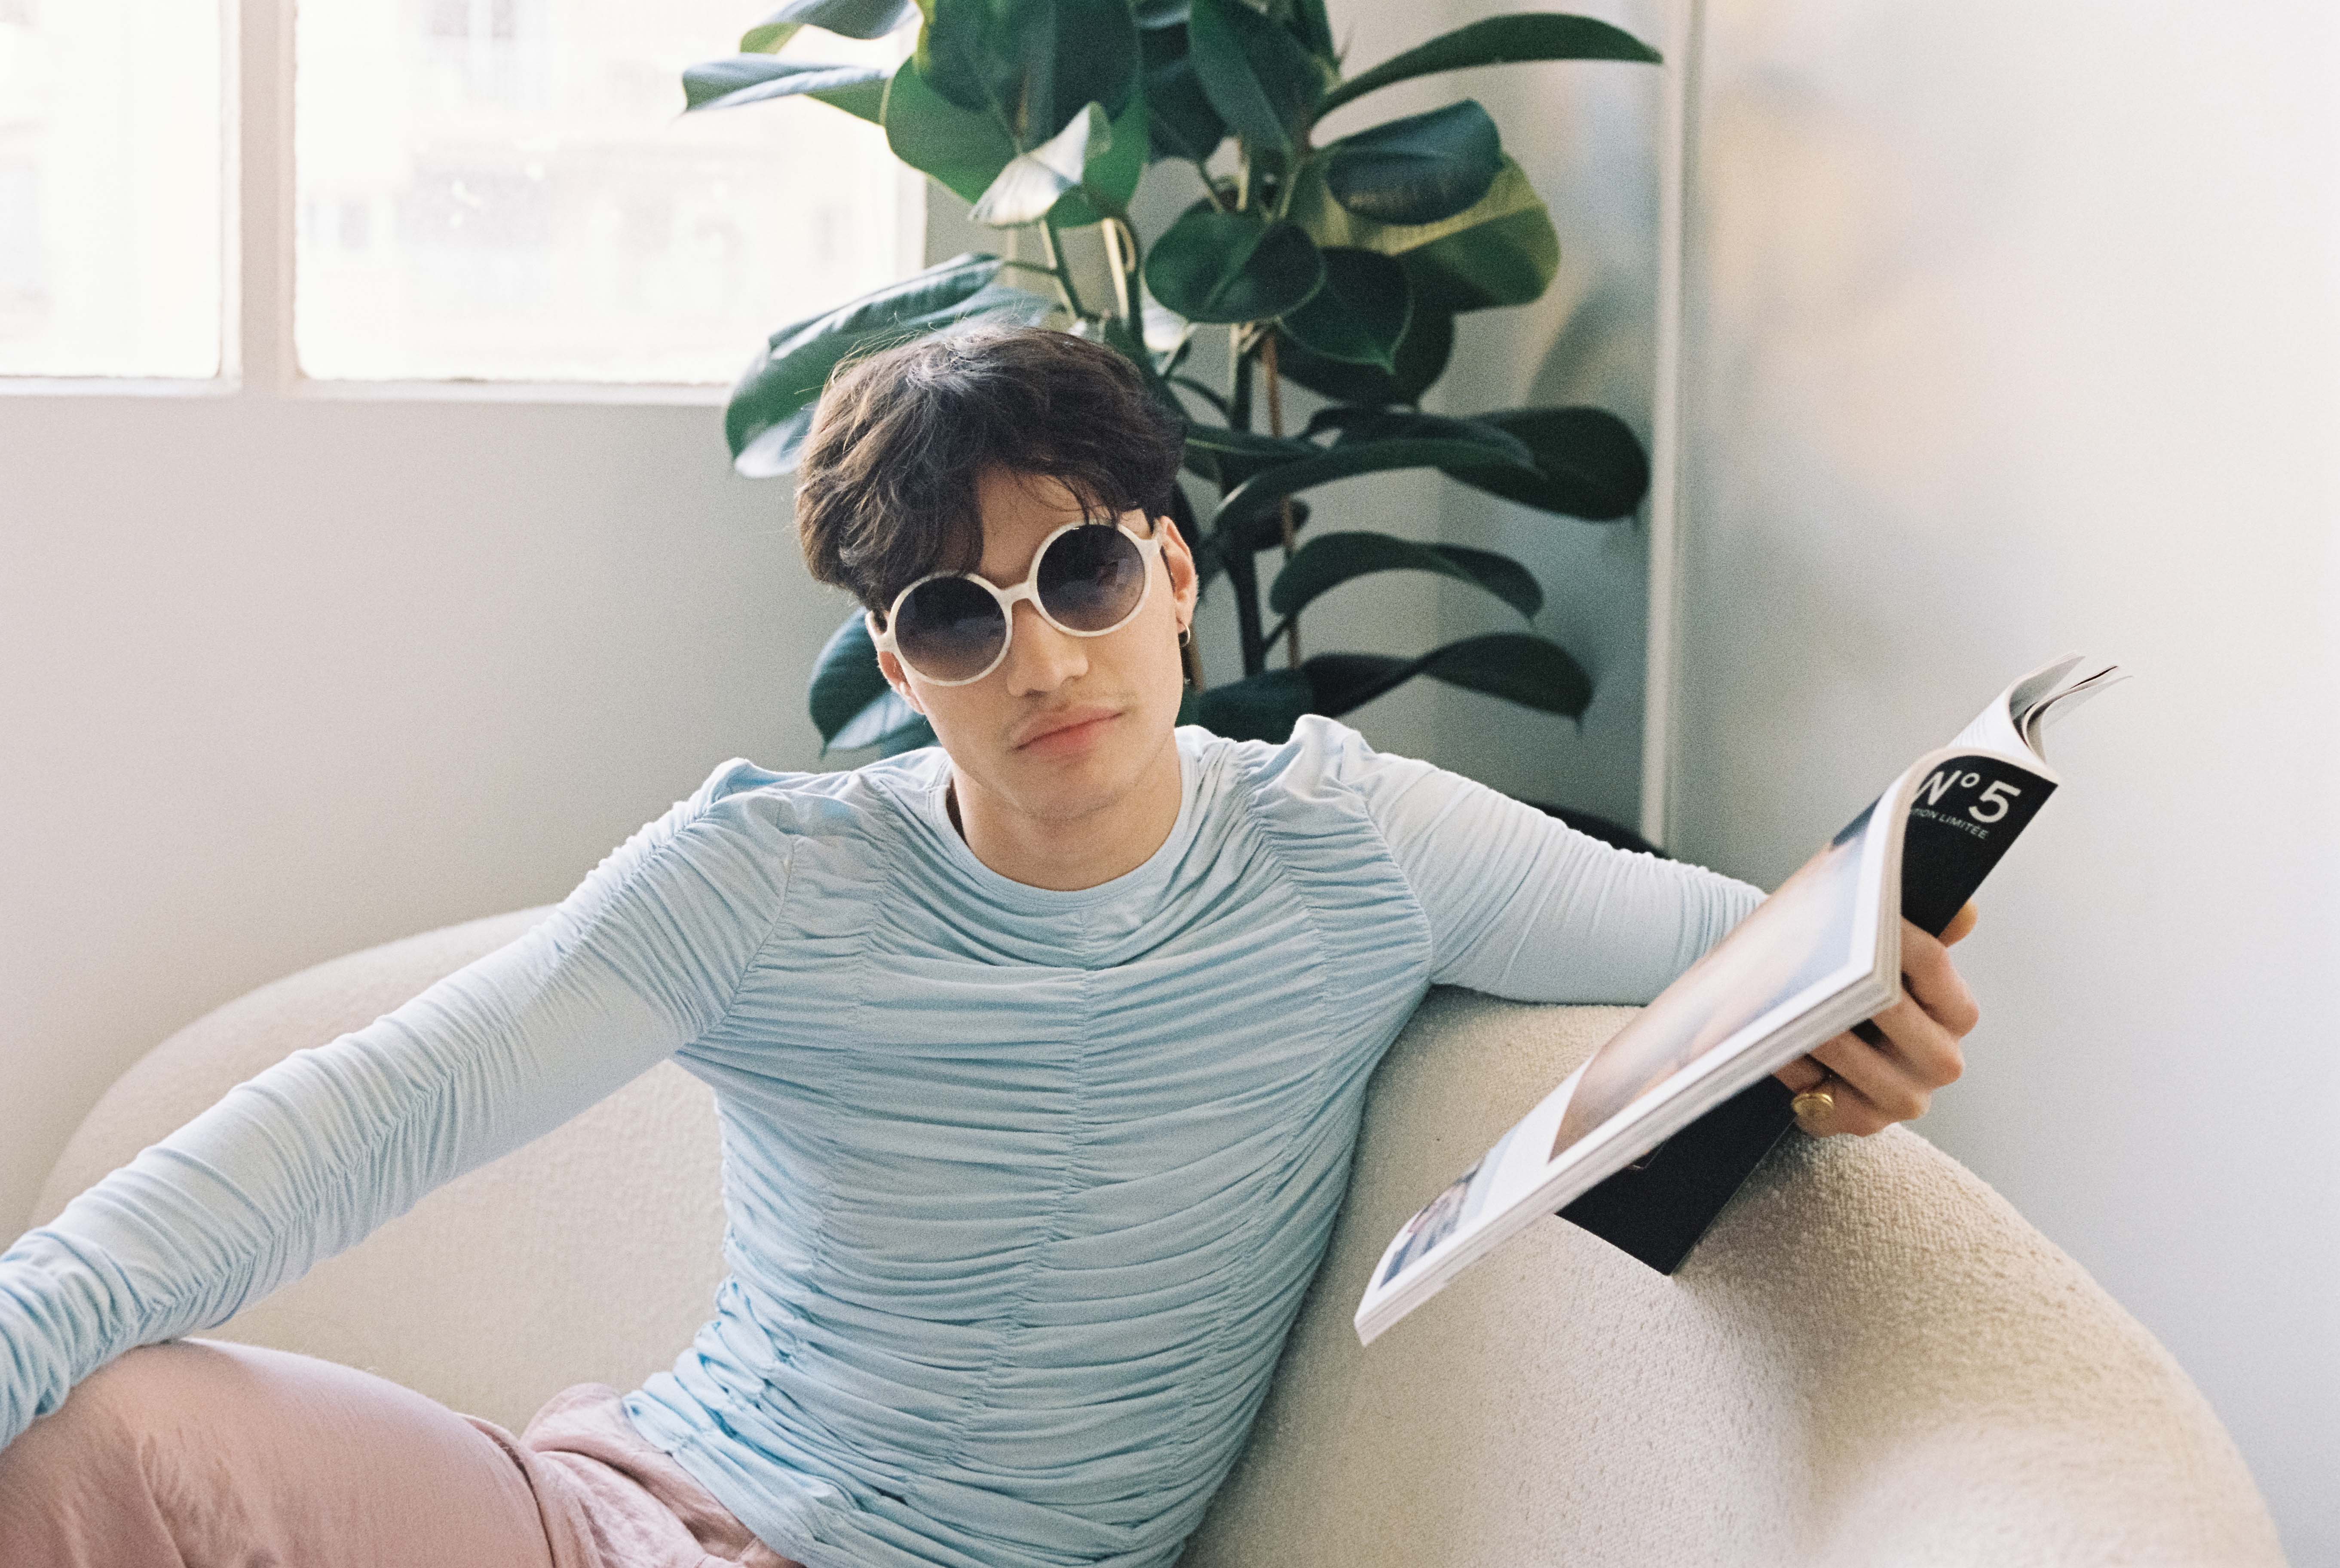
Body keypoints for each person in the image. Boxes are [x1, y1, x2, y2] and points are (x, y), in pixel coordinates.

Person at [0, 325, 1978, 1568]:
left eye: (1081, 572)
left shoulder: (1351, 846)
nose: (1037, 657)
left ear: (1171, 573)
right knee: (104, 1436)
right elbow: (370, 1114)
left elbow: (1757, 946)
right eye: (957, 616)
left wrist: (1861, 1016)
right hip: (614, 1520)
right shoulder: (761, 881)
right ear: (897, 667)